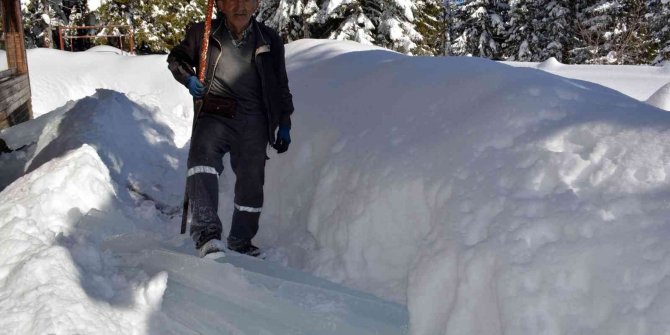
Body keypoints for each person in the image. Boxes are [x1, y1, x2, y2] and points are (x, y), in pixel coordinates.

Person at [167, 0, 294, 257]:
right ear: (221, 5)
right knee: (201, 161)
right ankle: (207, 234)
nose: (240, 6)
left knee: (251, 182)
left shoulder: (269, 40)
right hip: (214, 112)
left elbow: (280, 84)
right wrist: (188, 76)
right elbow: (176, 58)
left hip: (254, 119)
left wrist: (285, 122)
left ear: (256, 4)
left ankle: (240, 241)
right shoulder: (203, 33)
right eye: (233, 0)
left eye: (248, 0)